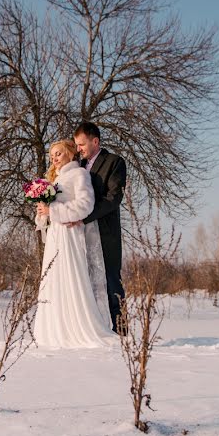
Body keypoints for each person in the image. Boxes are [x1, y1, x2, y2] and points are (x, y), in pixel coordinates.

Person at [32, 139, 113, 347]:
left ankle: (76, 328)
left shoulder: (80, 175)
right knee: (54, 279)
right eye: (52, 156)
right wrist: (43, 212)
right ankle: (56, 330)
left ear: (70, 152)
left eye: (58, 154)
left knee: (71, 277)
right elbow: (50, 212)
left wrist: (55, 211)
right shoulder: (55, 179)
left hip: (70, 234)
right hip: (55, 235)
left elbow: (86, 205)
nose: (54, 159)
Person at [72, 121, 127, 334]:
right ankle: (94, 330)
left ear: (95, 141)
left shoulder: (114, 162)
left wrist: (84, 217)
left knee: (111, 281)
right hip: (79, 236)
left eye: (82, 144)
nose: (78, 149)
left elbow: (113, 199)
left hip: (105, 233)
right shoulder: (77, 166)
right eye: (76, 145)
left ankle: (122, 331)